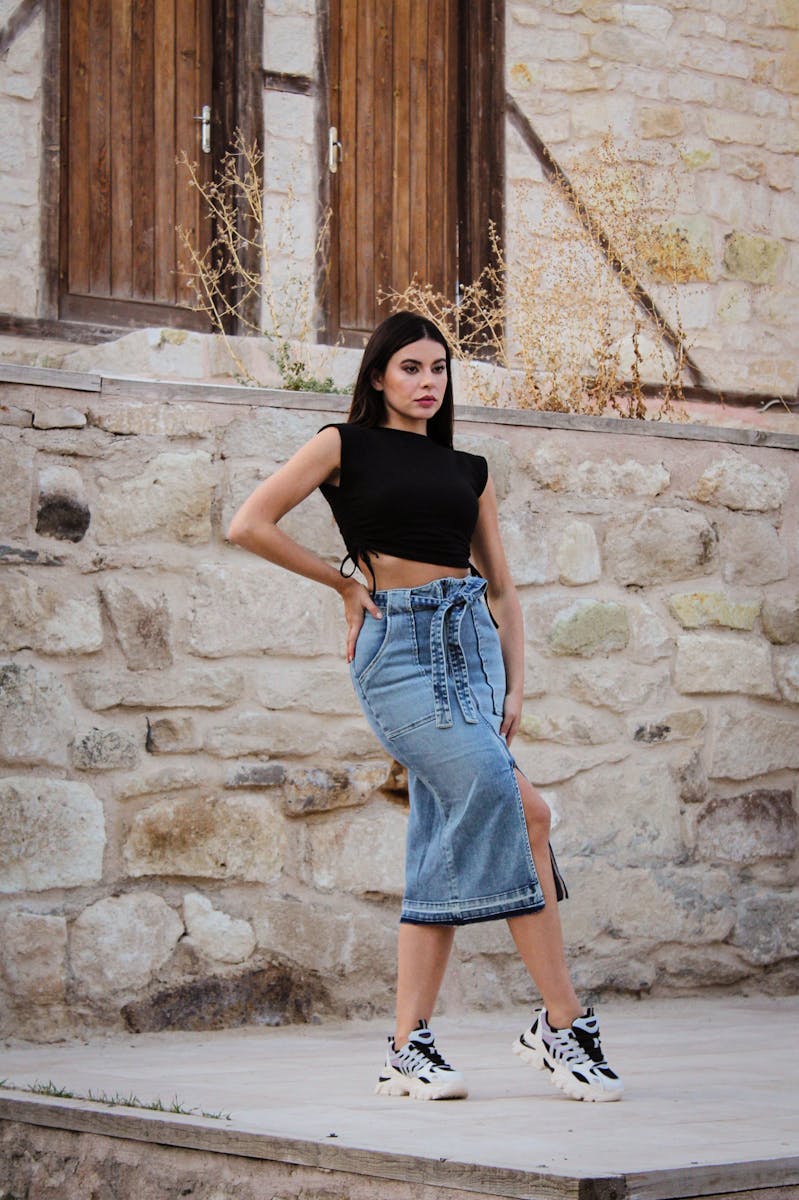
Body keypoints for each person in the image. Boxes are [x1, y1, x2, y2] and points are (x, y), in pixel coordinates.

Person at [227, 311, 623, 1104]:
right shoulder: (341, 445)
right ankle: (562, 1022)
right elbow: (249, 524)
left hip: (470, 650)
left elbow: (501, 588)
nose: (426, 382)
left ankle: (408, 1047)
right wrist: (344, 583)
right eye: (409, 367)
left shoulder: (467, 469)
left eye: (438, 368)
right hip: (400, 653)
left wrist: (514, 684)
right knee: (525, 811)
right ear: (378, 375)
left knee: (441, 841)